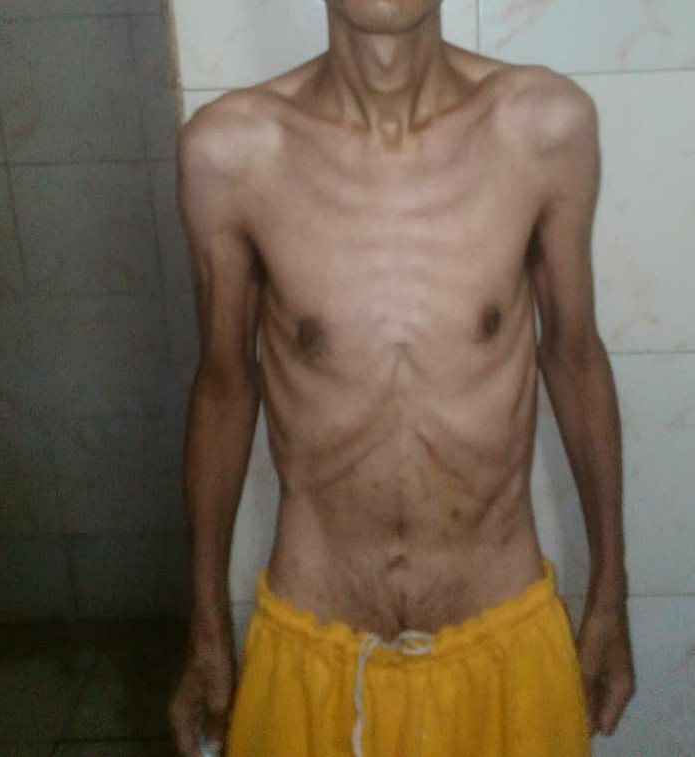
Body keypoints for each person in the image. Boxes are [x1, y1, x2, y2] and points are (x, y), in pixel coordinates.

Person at [168, 0, 635, 754]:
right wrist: (206, 620)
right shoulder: (231, 154)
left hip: (504, 641)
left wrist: (611, 593)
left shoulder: (543, 128)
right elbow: (223, 389)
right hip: (312, 649)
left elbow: (575, 360)